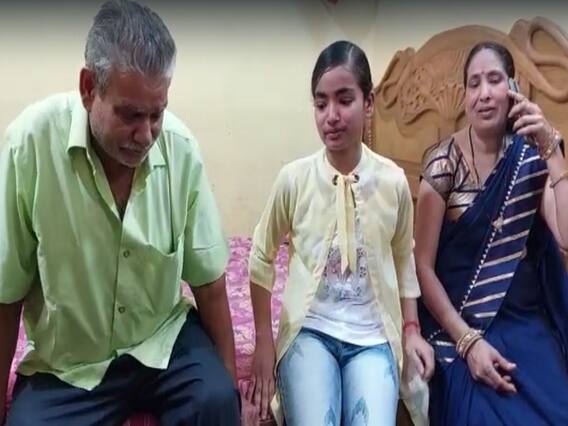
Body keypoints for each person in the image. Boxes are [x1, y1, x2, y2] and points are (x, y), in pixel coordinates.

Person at [0, 1, 240, 424]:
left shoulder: (180, 150)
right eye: (130, 115)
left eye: (157, 114)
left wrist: (231, 389)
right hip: (70, 364)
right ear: (89, 88)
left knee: (215, 401)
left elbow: (209, 284)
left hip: (162, 342)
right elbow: (6, 293)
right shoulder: (29, 146)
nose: (145, 135)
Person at [246, 40, 434, 426]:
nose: (331, 116)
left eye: (344, 100)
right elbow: (261, 255)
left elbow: (404, 258)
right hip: (310, 332)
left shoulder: (393, 182)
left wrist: (412, 329)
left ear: (369, 102)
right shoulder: (295, 179)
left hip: (372, 336)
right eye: (321, 104)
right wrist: (264, 340)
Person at [415, 41, 568, 425]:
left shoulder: (530, 159)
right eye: (474, 83)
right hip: (457, 325)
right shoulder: (443, 162)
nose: (483, 93)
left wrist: (552, 152)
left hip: (523, 322)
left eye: (494, 80)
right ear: (465, 95)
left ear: (514, 89)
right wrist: (468, 343)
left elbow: (566, 239)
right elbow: (422, 267)